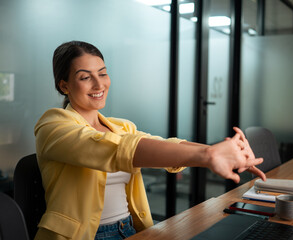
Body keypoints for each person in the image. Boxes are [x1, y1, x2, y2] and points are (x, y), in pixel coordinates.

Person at [34, 41, 266, 240]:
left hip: (129, 228)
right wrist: (208, 156)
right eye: (85, 77)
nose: (99, 84)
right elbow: (115, 150)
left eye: (102, 73)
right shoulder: (53, 125)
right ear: (64, 85)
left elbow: (165, 145)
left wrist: (221, 151)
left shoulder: (121, 126)